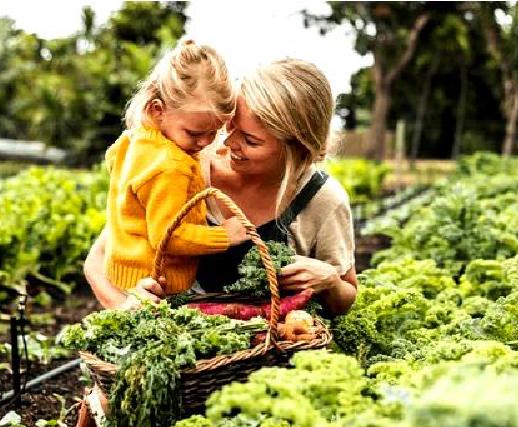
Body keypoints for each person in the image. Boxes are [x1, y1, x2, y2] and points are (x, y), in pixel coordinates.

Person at [87, 57, 357, 316]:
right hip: (180, 348)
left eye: (250, 141)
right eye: (229, 127)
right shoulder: (186, 164)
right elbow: (97, 261)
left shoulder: (322, 200)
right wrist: (126, 307)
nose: (226, 143)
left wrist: (330, 281)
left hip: (270, 352)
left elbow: (345, 298)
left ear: (298, 148)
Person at [100, 39, 248, 311]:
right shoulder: (171, 165)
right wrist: (225, 236)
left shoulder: (135, 140)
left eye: (213, 132)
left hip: (126, 271)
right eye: (194, 133)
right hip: (157, 283)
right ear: (159, 110)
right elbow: (168, 236)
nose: (205, 143)